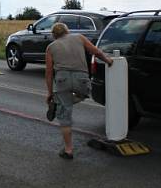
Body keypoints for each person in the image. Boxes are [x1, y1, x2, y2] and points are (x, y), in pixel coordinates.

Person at [45, 22, 113, 160]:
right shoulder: (79, 38)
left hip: (62, 80)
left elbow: (49, 72)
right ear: (67, 31)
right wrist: (108, 60)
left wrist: (50, 93)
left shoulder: (50, 47)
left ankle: (68, 150)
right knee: (85, 93)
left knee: (65, 118)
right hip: (81, 78)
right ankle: (68, 101)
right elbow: (96, 52)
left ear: (54, 35)